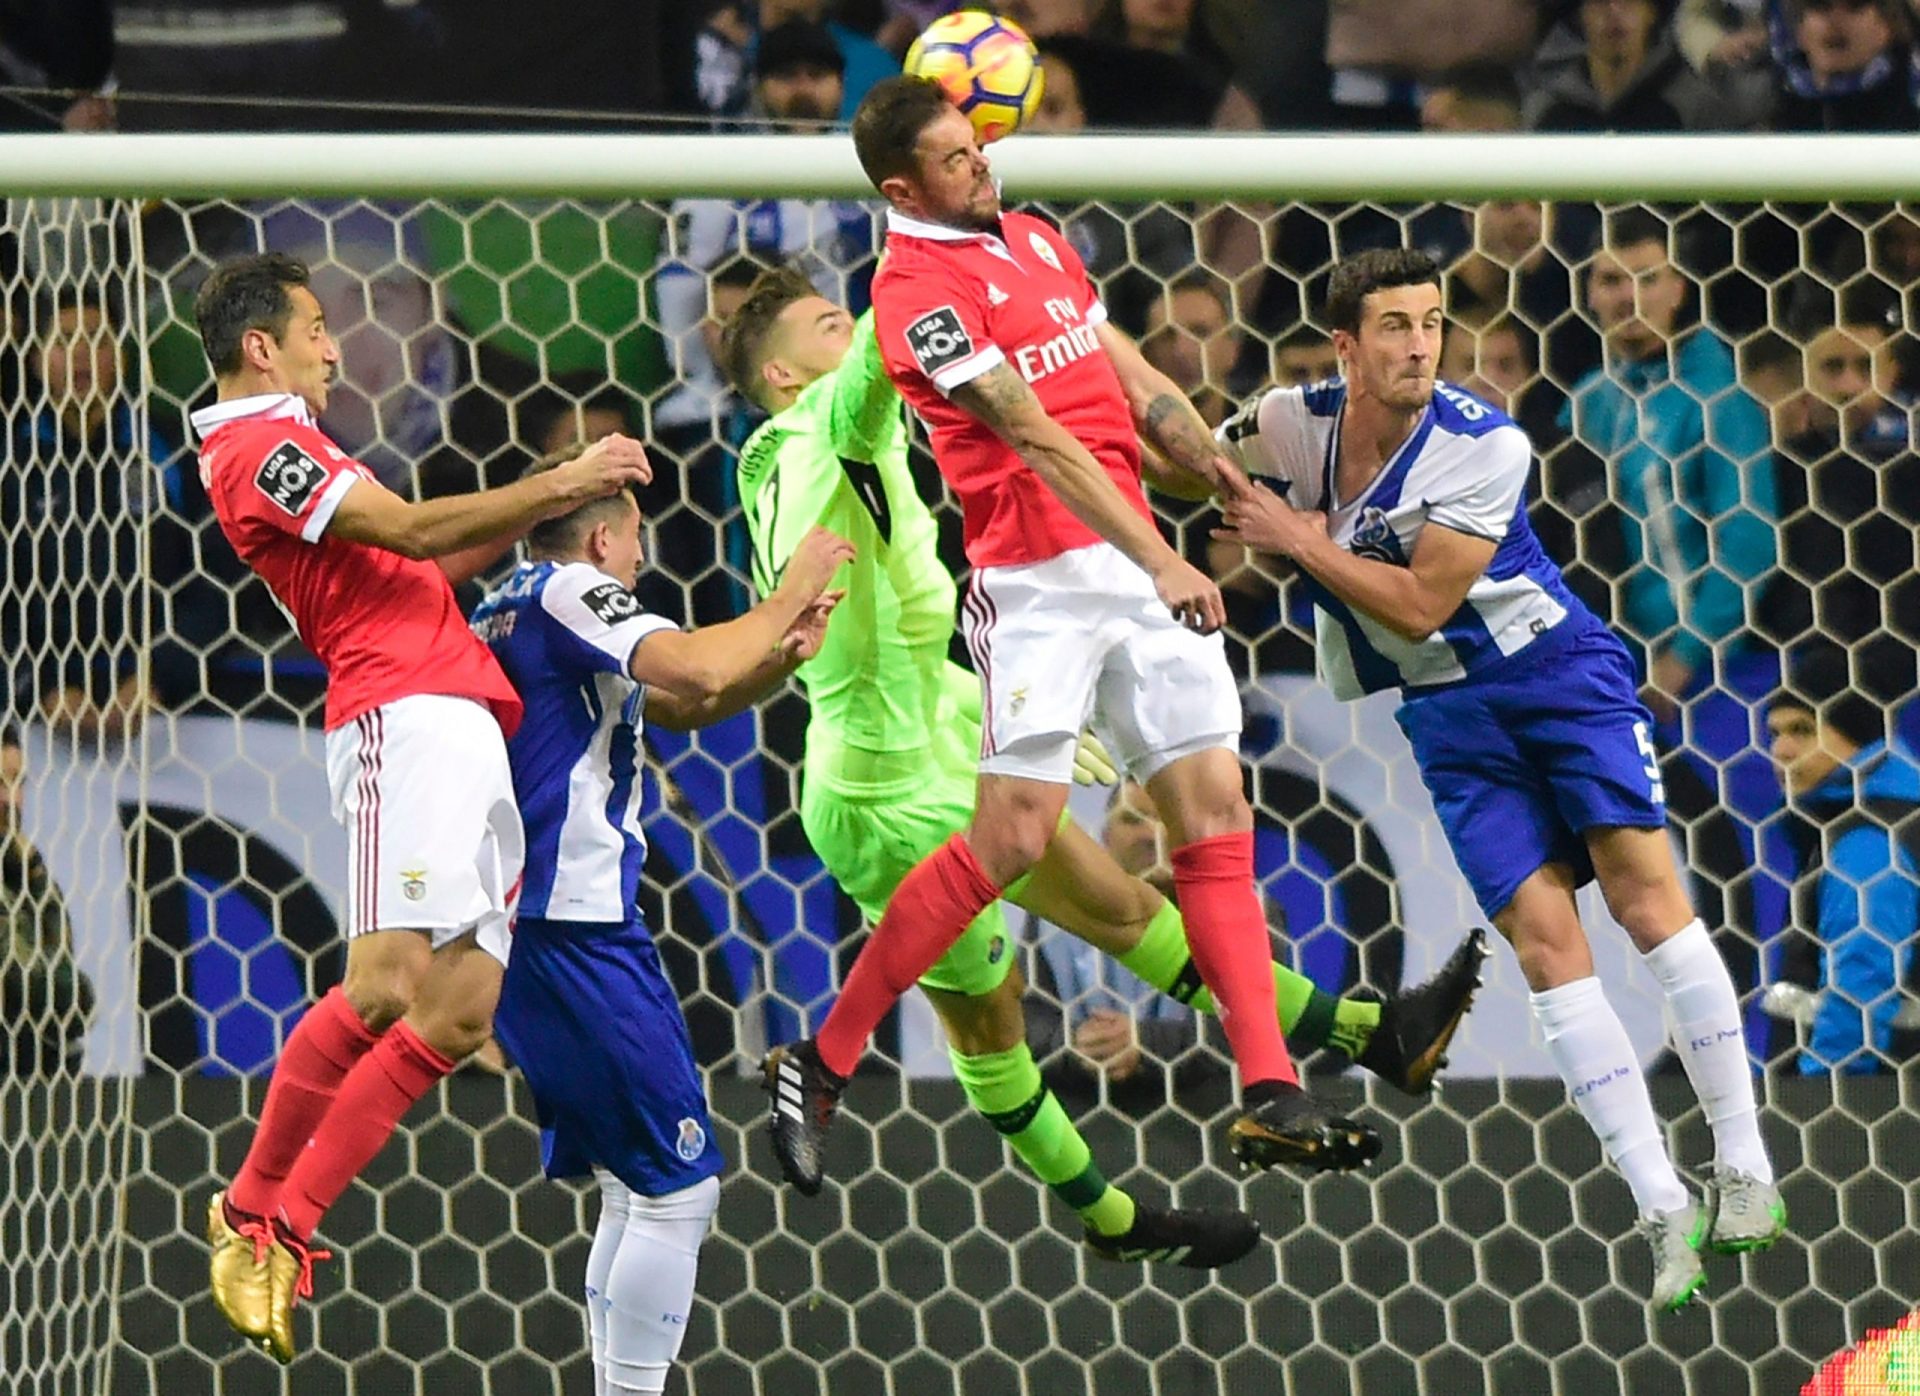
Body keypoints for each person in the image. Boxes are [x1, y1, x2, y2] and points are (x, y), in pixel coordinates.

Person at [719, 266, 1487, 1262]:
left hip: (924, 724)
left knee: (1121, 915)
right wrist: (951, 234)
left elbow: (878, 646)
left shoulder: (772, 457)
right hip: (886, 789)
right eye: (823, 323)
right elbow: (895, 323)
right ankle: (1110, 1204)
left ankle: (1352, 1046)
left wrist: (984, 707)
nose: (851, 330)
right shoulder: (830, 415)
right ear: (783, 372)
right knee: (999, 1022)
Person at [759, 76, 1387, 1200]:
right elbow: (1036, 438)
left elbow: (1130, 383)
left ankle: (1270, 1085)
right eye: (955, 159)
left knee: (1213, 806)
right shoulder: (912, 296)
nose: (981, 165)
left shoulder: (1039, 238)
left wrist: (1218, 472)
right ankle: (826, 1055)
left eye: (978, 145)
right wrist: (1160, 558)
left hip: (1140, 550)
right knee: (1010, 837)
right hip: (1040, 579)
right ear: (901, 189)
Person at [1214, 247, 1784, 1310]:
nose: (1421, 343)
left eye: (1432, 321)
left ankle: (1744, 1167)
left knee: (1646, 901)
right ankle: (1662, 1202)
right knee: (1543, 942)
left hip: (1559, 680)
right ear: (1345, 345)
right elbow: (1203, 465)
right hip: (1448, 718)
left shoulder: (1484, 443)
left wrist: (1289, 534)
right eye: (1394, 325)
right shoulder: (1290, 421)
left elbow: (1422, 604)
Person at [190, 252, 650, 1364]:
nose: (333, 343)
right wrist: (558, 478)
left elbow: (421, 564)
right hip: (402, 716)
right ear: (262, 347)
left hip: (458, 713)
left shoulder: (303, 444)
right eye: (314, 326)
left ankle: (294, 1227)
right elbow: (408, 533)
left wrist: (555, 494)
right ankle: (248, 1206)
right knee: (385, 982)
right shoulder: (258, 443)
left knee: (457, 1009)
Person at [472, 449, 850, 1396]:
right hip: (574, 923)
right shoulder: (568, 590)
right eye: (636, 541)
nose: (642, 562)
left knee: (629, 1187)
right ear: (604, 536)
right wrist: (788, 589)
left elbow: (686, 702)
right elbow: (686, 660)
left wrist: (781, 653)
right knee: (681, 1191)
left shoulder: (512, 597)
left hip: (544, 922)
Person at [3, 286, 170, 743]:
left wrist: (159, 674)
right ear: (35, 359)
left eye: (98, 339)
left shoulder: (165, 448)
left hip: (165, 709)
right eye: (64, 340)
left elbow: (211, 576)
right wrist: (43, 687)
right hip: (39, 715)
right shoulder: (12, 460)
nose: (80, 354)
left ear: (123, 356)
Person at [1765, 646, 1920, 1075]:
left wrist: (1820, 1099)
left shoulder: (1868, 844)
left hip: (1861, 1108)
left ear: (1855, 736)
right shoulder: (1877, 820)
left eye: (1802, 729)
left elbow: (1860, 991)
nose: (1782, 749)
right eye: (1774, 733)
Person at [0, 727, 93, 1075]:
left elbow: (68, 1004)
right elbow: (30, 984)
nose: (10, 799)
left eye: (18, 781)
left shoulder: (25, 873)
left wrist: (34, 876)